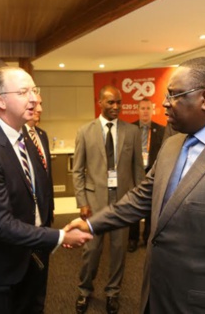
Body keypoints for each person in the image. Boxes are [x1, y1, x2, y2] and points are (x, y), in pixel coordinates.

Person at [66, 57, 205, 313]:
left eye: (174, 95)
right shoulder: (172, 145)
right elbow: (141, 198)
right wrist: (91, 224)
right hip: (157, 295)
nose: (164, 103)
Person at [0, 66, 92, 314]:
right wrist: (59, 236)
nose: (35, 98)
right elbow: (0, 224)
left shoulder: (27, 138)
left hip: (32, 256)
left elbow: (35, 196)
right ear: (1, 101)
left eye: (34, 90)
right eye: (23, 92)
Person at [73, 85, 145, 314]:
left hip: (122, 202)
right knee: (91, 251)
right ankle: (84, 290)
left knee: (118, 250)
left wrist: (139, 202)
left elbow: (138, 171)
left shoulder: (131, 132)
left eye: (119, 102)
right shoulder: (85, 131)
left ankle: (113, 292)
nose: (116, 107)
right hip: (94, 204)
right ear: (100, 103)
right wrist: (82, 202)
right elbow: (78, 171)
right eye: (111, 102)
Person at [21, 94, 55, 310]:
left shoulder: (41, 135)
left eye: (41, 104)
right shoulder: (17, 138)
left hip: (44, 218)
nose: (41, 109)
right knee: (24, 282)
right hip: (26, 223)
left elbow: (46, 177)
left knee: (40, 277)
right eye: (36, 105)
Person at [127, 98, 165, 252]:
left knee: (151, 208)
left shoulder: (161, 130)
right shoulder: (130, 129)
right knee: (133, 207)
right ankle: (132, 239)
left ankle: (148, 237)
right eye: (142, 108)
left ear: (152, 110)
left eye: (147, 108)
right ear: (138, 110)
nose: (145, 111)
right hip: (134, 174)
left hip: (153, 174)